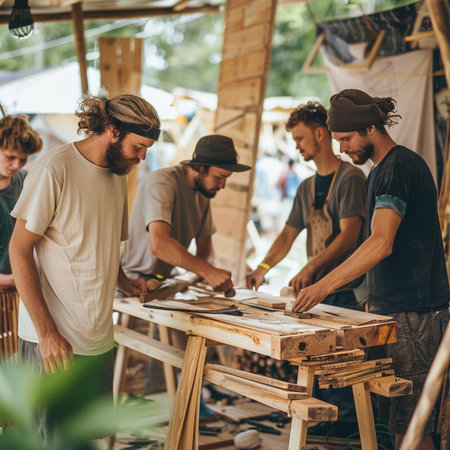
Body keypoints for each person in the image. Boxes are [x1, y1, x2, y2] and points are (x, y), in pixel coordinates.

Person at [293, 89, 450, 449]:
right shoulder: (386, 169)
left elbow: (381, 242)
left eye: (345, 140)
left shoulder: (395, 169)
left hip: (413, 317)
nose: (341, 149)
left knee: (412, 430)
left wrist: (322, 287)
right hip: (401, 313)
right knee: (403, 424)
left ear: (370, 128)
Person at [9, 94, 160, 384]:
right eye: (138, 146)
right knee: (48, 432)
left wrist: (123, 281)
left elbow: (107, 241)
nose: (141, 158)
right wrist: (47, 334)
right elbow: (19, 249)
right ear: (113, 131)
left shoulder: (118, 174)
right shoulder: (55, 168)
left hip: (98, 339)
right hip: (53, 343)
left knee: (91, 431)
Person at [246, 101, 367, 310]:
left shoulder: (351, 177)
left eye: (300, 138)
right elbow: (286, 236)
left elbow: (349, 237)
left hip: (348, 292)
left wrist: (310, 267)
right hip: (318, 289)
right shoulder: (306, 187)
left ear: (320, 134)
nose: (296, 146)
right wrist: (262, 268)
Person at [122, 134, 251, 292]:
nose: (223, 185)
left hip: (168, 280)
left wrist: (221, 271)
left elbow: (205, 253)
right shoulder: (162, 183)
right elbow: (159, 245)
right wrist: (208, 271)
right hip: (136, 281)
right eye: (219, 177)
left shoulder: (203, 193)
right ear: (201, 169)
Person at [0, 107, 42, 290]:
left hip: (19, 287)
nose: (16, 165)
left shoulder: (26, 181)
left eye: (23, 159)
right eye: (10, 157)